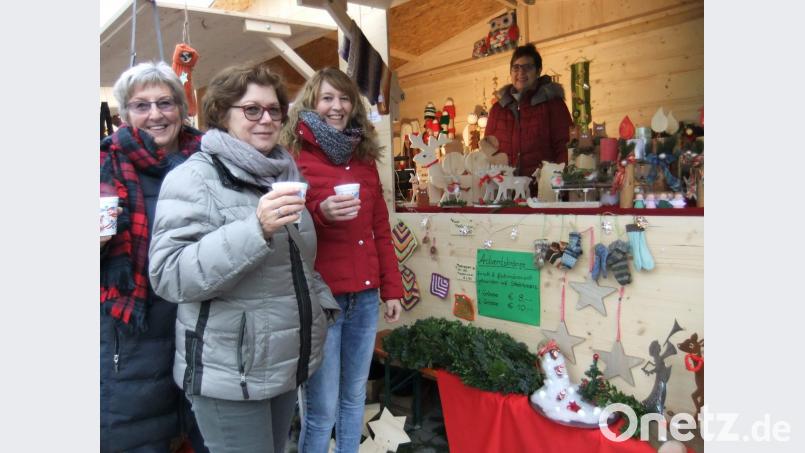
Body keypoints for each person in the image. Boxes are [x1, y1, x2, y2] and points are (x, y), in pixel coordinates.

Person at [148, 61, 340, 453]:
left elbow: (297, 260)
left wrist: (320, 307)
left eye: (273, 110)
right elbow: (169, 275)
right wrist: (255, 229)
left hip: (282, 360)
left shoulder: (283, 172)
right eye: (251, 109)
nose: (266, 119)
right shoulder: (194, 178)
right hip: (230, 372)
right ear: (222, 113)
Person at [280, 67, 404, 453]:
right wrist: (320, 212)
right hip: (322, 300)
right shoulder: (294, 156)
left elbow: (380, 228)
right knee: (321, 410)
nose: (337, 106)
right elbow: (284, 227)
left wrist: (392, 290)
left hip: (365, 297)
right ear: (312, 102)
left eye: (345, 98)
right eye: (328, 98)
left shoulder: (364, 158)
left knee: (354, 398)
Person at [100, 61, 207, 452]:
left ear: (181, 108)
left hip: (205, 329)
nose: (155, 114)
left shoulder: (212, 162)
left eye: (165, 103)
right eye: (141, 105)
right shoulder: (104, 164)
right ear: (125, 114)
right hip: (133, 338)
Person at [485, 43, 572, 185]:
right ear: (511, 72)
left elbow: (565, 146)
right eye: (516, 67)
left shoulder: (553, 104)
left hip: (542, 190)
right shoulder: (497, 110)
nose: (521, 72)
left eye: (528, 67)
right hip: (505, 190)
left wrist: (556, 183)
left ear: (538, 71)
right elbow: (488, 150)